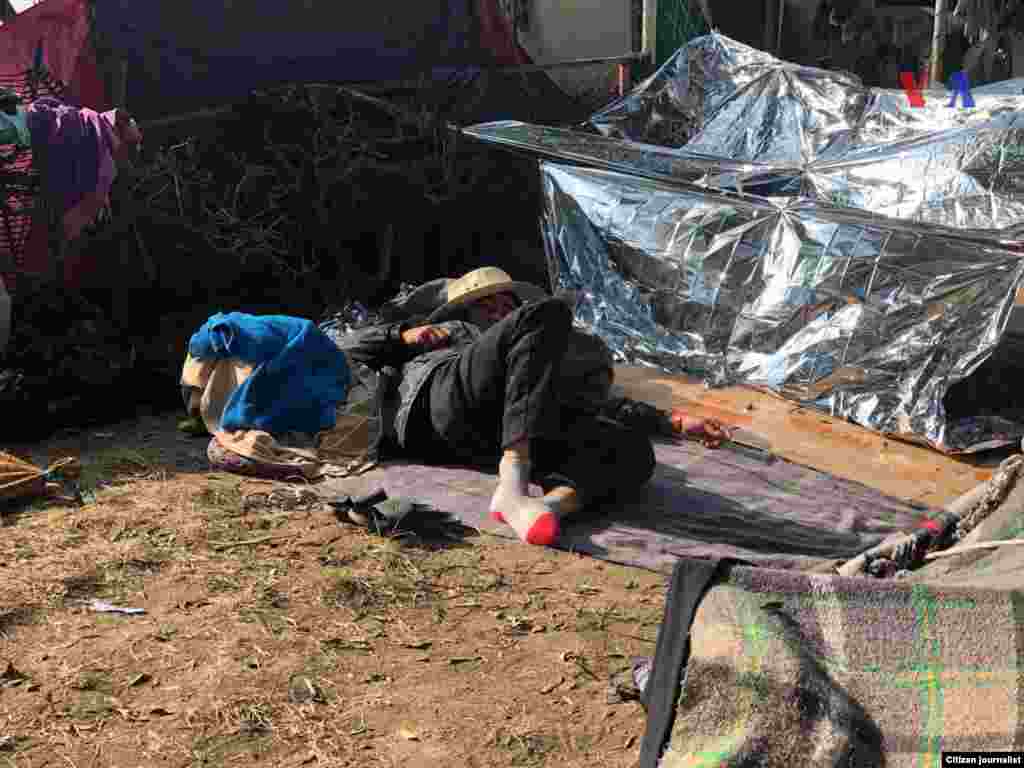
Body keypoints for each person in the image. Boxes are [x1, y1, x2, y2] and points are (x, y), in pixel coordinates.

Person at [344, 267, 732, 547]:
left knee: (631, 450)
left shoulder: (533, 353)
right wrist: (401, 335)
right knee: (550, 311)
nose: (498, 314)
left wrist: (672, 421)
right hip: (438, 409)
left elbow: (587, 402)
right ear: (463, 314)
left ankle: (542, 508)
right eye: (486, 308)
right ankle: (513, 480)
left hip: (494, 435)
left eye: (505, 307)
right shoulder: (447, 336)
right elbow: (338, 351)